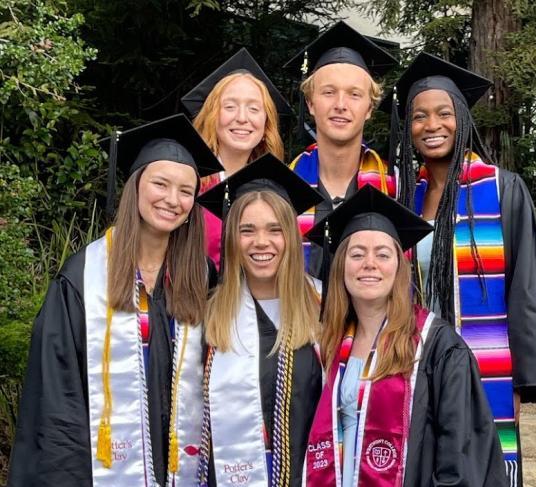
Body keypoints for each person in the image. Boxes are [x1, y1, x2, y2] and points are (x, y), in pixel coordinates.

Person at [8, 114, 224, 486]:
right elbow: (58, 401)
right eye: (160, 184)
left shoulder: (201, 278)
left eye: (186, 190)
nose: (172, 200)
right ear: (136, 187)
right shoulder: (83, 277)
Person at [386, 52, 536, 486]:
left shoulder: (501, 189)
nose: (431, 125)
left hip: (484, 364)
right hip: (417, 361)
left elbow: (527, 288)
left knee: (480, 467)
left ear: (462, 117)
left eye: (444, 113)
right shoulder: (403, 198)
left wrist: (520, 382)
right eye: (419, 116)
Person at [303, 185, 507, 486]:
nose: (369, 264)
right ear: (340, 267)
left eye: (382, 254)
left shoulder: (437, 347)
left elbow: (461, 458)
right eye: (357, 254)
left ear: (399, 267)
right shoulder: (330, 344)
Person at [196, 154, 324, 487]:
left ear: (291, 238)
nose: (261, 242)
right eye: (247, 230)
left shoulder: (324, 307)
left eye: (274, 230)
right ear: (231, 240)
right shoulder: (207, 315)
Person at [283, 21, 399, 278]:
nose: (340, 105)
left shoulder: (396, 187)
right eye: (328, 92)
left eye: (354, 94)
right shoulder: (284, 188)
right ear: (311, 103)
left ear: (369, 109)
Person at [182, 47, 292, 268]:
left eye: (253, 109)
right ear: (213, 115)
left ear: (266, 123)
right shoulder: (189, 183)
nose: (242, 118)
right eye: (230, 107)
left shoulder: (275, 189)